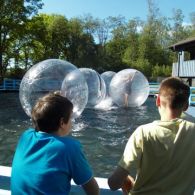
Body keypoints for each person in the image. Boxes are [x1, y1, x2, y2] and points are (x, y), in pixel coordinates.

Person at [108, 77, 195, 195]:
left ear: (157, 100)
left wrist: (126, 180)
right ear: (186, 106)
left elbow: (113, 184)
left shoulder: (143, 133)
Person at [11, 92, 99, 195]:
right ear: (62, 122)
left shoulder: (26, 136)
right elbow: (93, 190)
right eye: (70, 118)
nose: (72, 121)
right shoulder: (69, 148)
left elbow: (41, 121)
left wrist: (54, 102)